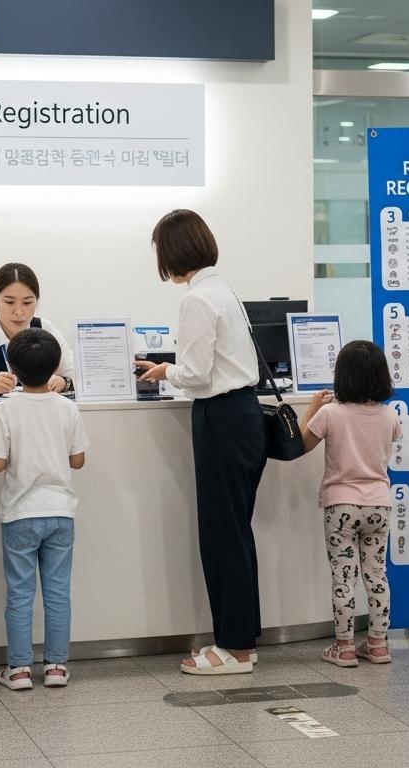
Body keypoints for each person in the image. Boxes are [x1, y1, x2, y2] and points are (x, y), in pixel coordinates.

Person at [136, 209, 266, 675]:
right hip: (244, 417)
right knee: (236, 534)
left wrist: (164, 369)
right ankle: (242, 642)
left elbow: (194, 374)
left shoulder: (197, 299)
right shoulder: (223, 290)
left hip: (221, 419)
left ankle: (233, 648)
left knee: (221, 536)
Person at [0, 328, 89, 690]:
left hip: (20, 514)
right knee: (58, 592)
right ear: (55, 366)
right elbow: (78, 460)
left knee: (20, 593)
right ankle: (56, 667)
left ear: (12, 365)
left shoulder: (5, 410)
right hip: (60, 513)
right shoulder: (68, 408)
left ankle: (19, 669)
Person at [299, 340, 400, 668]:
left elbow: (299, 444)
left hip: (341, 505)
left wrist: (312, 408)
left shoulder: (330, 413)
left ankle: (343, 647)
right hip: (378, 505)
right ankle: (378, 644)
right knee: (377, 574)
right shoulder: (389, 416)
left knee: (344, 577)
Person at [0, 263, 75, 397]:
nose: (19, 312)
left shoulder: (45, 328)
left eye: (27, 303)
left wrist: (63, 382)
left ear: (37, 301)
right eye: (9, 302)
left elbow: (76, 375)